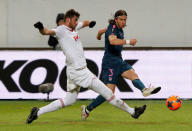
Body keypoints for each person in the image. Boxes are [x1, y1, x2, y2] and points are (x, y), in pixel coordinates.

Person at [26, 9, 146, 124]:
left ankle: (37, 112)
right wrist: (40, 27)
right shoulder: (60, 30)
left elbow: (84, 23)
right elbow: (46, 32)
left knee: (69, 100)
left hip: (75, 71)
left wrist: (90, 23)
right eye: (75, 20)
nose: (77, 22)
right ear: (68, 19)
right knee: (108, 92)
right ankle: (133, 112)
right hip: (80, 72)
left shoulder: (73, 27)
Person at [81, 9, 161, 120]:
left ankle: (144, 90)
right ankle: (87, 110)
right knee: (108, 93)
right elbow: (113, 41)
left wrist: (99, 35)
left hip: (118, 61)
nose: (123, 22)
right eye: (121, 19)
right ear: (115, 19)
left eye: (125, 20)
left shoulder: (116, 28)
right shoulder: (113, 28)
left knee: (133, 74)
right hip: (109, 63)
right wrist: (128, 42)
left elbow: (101, 30)